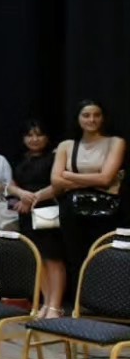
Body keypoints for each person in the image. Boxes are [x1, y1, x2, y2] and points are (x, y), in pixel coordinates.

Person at [52, 99, 125, 281]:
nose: (91, 119)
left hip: (107, 210)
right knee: (76, 258)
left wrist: (69, 176)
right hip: (72, 210)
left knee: (104, 256)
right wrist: (95, 179)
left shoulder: (115, 142)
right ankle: (80, 303)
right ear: (78, 118)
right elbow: (55, 181)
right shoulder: (66, 145)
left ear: (103, 118)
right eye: (86, 115)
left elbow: (106, 178)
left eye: (96, 115)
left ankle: (104, 302)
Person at [6, 119, 66, 316]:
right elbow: (11, 184)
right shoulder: (20, 158)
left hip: (48, 213)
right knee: (38, 259)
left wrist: (31, 199)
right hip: (26, 214)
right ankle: (45, 304)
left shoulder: (54, 157)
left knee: (53, 259)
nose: (34, 139)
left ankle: (55, 306)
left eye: (39, 134)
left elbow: (59, 186)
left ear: (47, 137)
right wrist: (21, 194)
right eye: (30, 135)